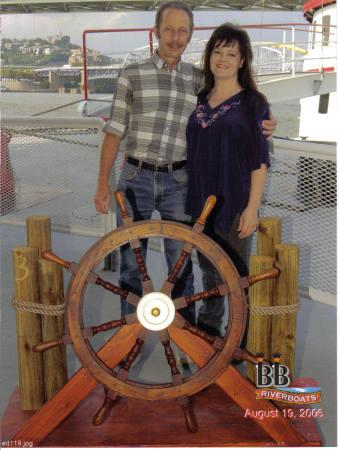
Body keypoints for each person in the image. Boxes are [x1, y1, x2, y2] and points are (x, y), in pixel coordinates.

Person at [94, 2, 276, 328]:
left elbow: (240, 110)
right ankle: (127, 340)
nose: (175, 37)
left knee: (180, 265)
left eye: (183, 31)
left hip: (179, 182)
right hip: (134, 178)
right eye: (169, 29)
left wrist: (266, 123)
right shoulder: (131, 75)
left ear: (190, 36)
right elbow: (114, 131)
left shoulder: (199, 81)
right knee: (131, 266)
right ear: (156, 32)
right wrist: (102, 182)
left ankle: (187, 341)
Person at [185, 23, 271, 337]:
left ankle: (240, 343)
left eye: (231, 53)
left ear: (243, 60)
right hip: (199, 202)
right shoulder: (198, 98)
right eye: (217, 51)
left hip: (235, 202)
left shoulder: (254, 103)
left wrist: (253, 208)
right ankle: (208, 335)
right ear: (209, 56)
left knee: (237, 277)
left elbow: (260, 160)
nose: (223, 58)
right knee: (208, 275)